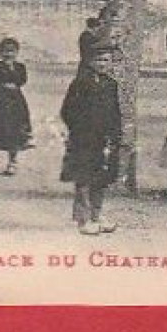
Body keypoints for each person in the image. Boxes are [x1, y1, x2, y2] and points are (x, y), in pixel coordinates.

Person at [59, 43, 123, 235]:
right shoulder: (80, 83)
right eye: (98, 60)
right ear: (90, 61)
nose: (102, 64)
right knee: (84, 178)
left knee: (101, 177)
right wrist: (79, 129)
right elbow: (68, 110)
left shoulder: (111, 84)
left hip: (104, 138)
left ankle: (97, 214)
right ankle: (83, 218)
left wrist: (115, 134)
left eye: (106, 60)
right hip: (84, 138)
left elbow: (115, 112)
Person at [0, 38, 31, 175]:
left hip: (15, 102)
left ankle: (12, 162)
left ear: (17, 52)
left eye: (12, 51)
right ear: (0, 52)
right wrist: (3, 84)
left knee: (14, 132)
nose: (8, 54)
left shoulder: (20, 67)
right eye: (5, 51)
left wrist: (11, 70)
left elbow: (22, 80)